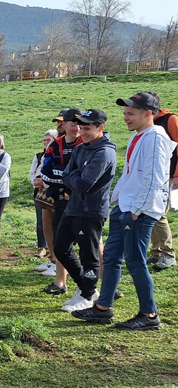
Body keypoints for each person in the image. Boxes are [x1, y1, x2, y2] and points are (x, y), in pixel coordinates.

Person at [73, 92, 177, 329]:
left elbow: (155, 177)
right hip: (126, 207)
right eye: (125, 113)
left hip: (140, 209)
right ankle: (103, 308)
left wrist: (138, 209)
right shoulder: (138, 137)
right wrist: (117, 201)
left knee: (135, 260)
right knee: (111, 257)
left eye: (130, 113)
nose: (125, 118)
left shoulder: (155, 138)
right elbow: (130, 174)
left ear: (148, 113)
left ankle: (149, 315)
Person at [54, 109, 116, 313]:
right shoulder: (82, 148)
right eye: (81, 127)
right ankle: (86, 288)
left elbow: (84, 184)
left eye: (87, 128)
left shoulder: (104, 152)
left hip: (91, 210)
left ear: (100, 128)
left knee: (88, 254)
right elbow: (66, 175)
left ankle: (88, 294)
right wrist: (75, 177)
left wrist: (74, 177)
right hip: (74, 207)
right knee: (60, 247)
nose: (82, 132)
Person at [36, 109, 83, 294]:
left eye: (63, 122)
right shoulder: (55, 145)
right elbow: (46, 171)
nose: (60, 125)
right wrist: (65, 177)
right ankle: (60, 282)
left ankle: (101, 285)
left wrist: (63, 176)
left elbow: (82, 174)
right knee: (60, 242)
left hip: (83, 201)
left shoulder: (86, 144)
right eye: (61, 123)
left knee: (91, 245)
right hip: (59, 199)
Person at [148, 102, 178, 271]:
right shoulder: (148, 123)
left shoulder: (170, 119)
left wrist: (177, 175)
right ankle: (157, 251)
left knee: (159, 213)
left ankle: (168, 253)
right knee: (151, 212)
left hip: (167, 175)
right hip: (153, 176)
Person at [29, 130, 58, 261]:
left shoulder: (56, 154)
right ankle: (42, 247)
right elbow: (32, 172)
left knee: (55, 222)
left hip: (53, 191)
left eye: (49, 140)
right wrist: (35, 182)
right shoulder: (39, 155)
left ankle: (55, 254)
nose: (46, 142)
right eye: (45, 140)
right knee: (41, 221)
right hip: (39, 191)